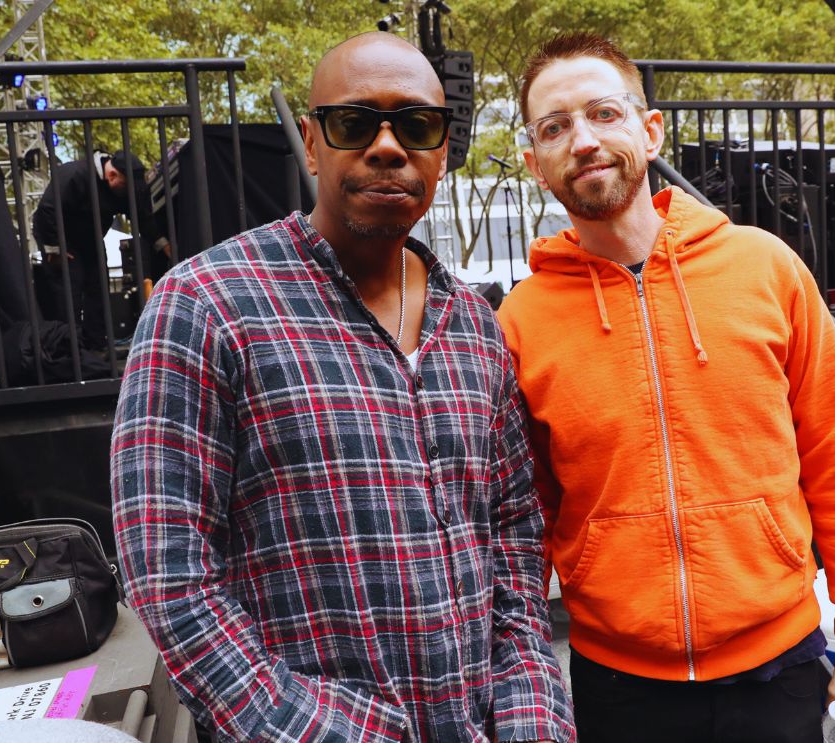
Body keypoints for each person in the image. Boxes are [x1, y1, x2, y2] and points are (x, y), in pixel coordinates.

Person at [110, 32, 573, 743]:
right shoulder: (207, 304)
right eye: (354, 123)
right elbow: (169, 576)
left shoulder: (474, 325)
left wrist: (531, 717)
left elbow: (512, 536)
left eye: (416, 125)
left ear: (442, 149)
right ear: (310, 141)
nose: (387, 146)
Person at [497, 32, 835, 743]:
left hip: (778, 664)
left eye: (603, 113)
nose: (583, 140)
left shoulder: (765, 268)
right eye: (554, 127)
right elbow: (524, 514)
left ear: (649, 130)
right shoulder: (519, 321)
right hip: (616, 682)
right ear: (535, 163)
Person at [31, 149, 167, 350]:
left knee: (99, 287)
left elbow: (142, 217)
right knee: (69, 291)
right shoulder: (74, 174)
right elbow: (47, 210)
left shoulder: (122, 189)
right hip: (61, 238)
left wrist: (162, 243)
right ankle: (68, 348)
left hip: (90, 238)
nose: (127, 193)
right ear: (112, 176)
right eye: (125, 186)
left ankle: (95, 346)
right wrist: (54, 249)